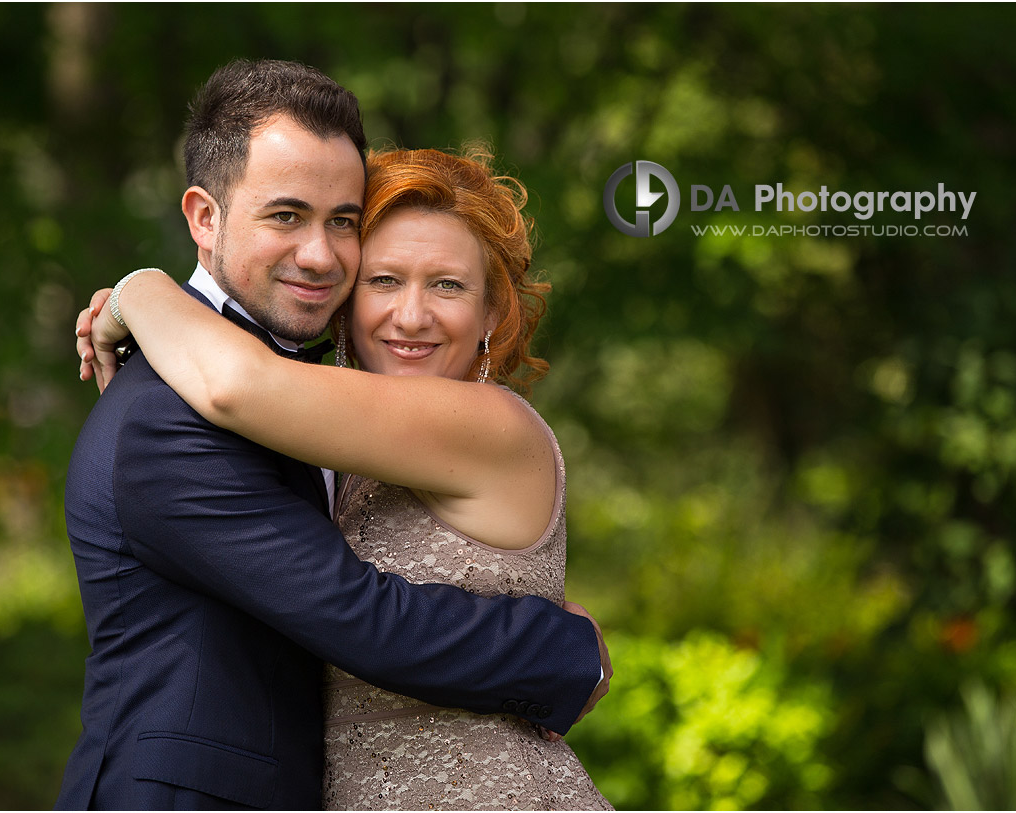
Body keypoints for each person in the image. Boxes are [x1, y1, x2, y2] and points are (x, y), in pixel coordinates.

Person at [59, 58, 609, 810]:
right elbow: (358, 614)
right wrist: (566, 652)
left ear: (492, 314)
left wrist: (139, 290)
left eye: (342, 223)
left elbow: (248, 386)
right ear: (203, 217)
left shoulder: (463, 422)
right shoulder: (171, 412)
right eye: (287, 215)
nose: (321, 255)